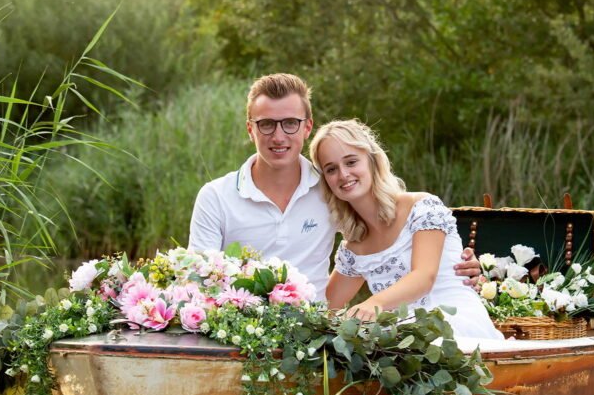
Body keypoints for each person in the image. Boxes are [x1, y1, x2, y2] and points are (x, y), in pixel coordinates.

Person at [188, 73, 480, 292]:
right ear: (250, 129)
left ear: (307, 127)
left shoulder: (332, 187)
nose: (278, 137)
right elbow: (199, 281)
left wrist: (456, 263)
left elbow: (389, 228)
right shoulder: (216, 197)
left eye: (290, 123)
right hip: (238, 330)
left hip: (311, 335)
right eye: (266, 124)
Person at [310, 119, 503, 350]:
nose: (343, 174)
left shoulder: (421, 207)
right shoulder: (354, 247)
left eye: (351, 162)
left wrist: (374, 304)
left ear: (372, 161)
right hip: (403, 340)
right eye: (331, 169)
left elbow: (424, 277)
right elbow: (325, 308)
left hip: (454, 323)